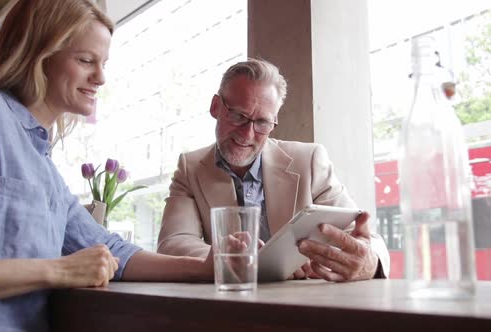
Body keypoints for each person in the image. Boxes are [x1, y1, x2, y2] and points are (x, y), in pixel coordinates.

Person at [0, 1, 212, 331]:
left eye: (103, 63)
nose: (101, 77)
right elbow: (73, 264)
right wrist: (59, 270)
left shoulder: (43, 165)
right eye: (86, 60)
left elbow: (112, 250)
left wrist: (206, 267)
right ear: (39, 56)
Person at [157, 58, 390, 281]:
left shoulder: (309, 160)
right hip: (228, 305)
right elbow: (174, 243)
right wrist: (234, 259)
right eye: (238, 116)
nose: (247, 134)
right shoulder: (190, 168)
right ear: (216, 107)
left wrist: (369, 260)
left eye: (262, 123)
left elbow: (362, 237)